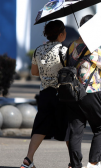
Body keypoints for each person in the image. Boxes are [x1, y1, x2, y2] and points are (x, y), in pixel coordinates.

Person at [20, 20, 70, 168]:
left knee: (40, 126)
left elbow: (34, 72)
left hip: (44, 94)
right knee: (68, 127)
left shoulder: (38, 50)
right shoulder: (64, 50)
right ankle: (74, 162)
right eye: (64, 32)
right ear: (61, 34)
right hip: (61, 94)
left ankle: (28, 159)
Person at [67, 15, 101, 168]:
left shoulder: (72, 45)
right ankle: (93, 162)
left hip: (73, 93)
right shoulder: (93, 48)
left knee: (76, 130)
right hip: (91, 92)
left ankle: (75, 164)